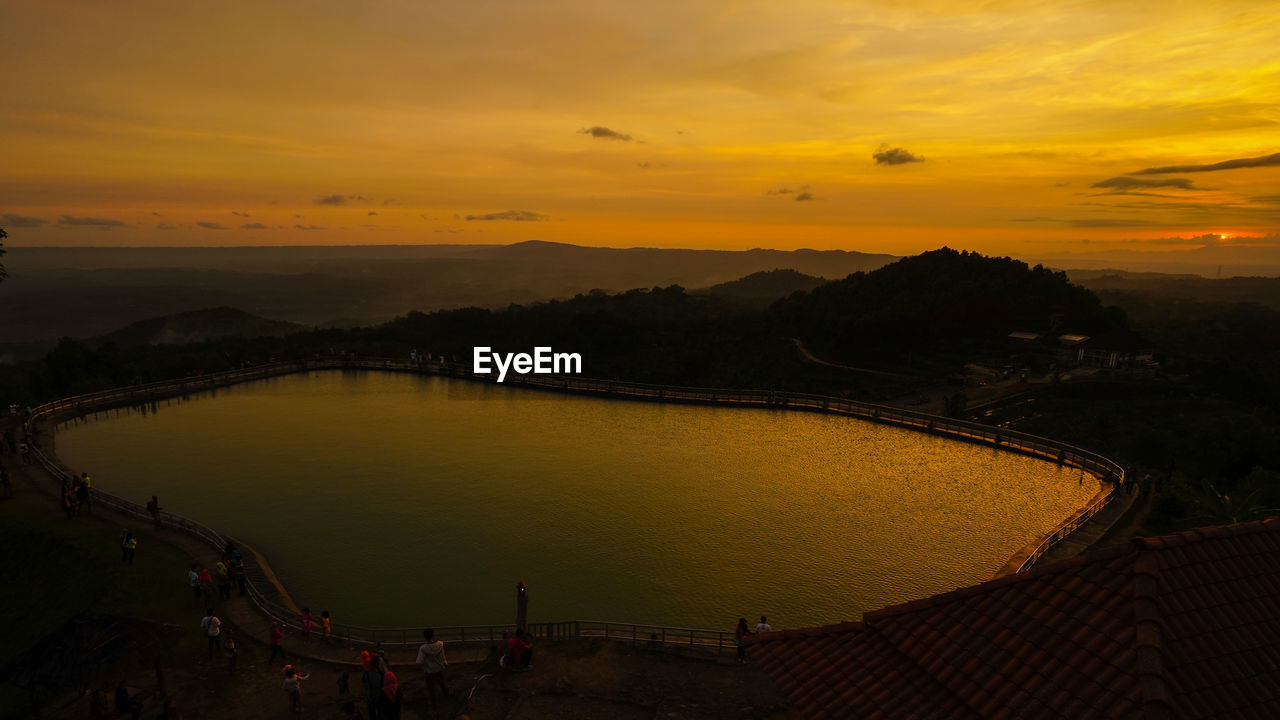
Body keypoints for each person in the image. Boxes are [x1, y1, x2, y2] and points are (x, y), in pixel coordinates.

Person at [416, 628, 450, 708]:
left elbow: (419, 661)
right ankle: (447, 696)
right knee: (442, 683)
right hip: (439, 669)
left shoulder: (423, 648)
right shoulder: (440, 644)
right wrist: (445, 663)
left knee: (431, 688)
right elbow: (443, 657)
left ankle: (434, 704)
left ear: (425, 637)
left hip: (429, 671)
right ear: (433, 635)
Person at [361, 655, 384, 720]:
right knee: (379, 713)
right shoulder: (381, 674)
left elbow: (363, 684)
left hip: (370, 696)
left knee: (371, 714)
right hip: (379, 696)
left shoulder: (366, 674)